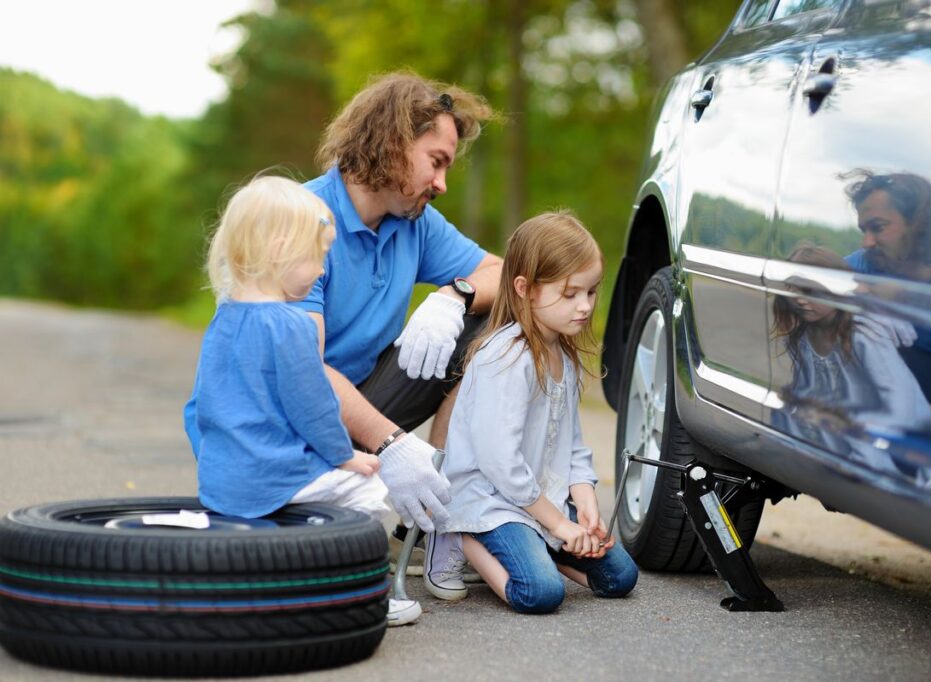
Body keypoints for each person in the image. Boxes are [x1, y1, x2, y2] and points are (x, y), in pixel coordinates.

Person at [183, 176, 422, 627]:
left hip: (223, 482)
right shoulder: (290, 325)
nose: (320, 271)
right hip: (276, 476)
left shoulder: (223, 319)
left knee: (309, 492)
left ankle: (279, 571)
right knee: (370, 490)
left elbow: (199, 406)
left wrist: (219, 462)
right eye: (317, 257)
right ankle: (358, 592)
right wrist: (344, 456)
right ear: (279, 250)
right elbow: (312, 406)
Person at [298, 73, 503, 587]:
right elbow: (301, 369)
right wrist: (392, 444)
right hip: (294, 426)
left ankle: (431, 522)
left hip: (362, 409)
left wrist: (454, 295)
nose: (442, 184)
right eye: (436, 162)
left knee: (491, 323)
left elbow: (509, 273)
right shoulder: (302, 220)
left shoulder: (413, 222)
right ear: (392, 143)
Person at [434, 211, 639, 613]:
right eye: (569, 294)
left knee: (620, 577)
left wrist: (585, 506)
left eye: (591, 292)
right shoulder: (508, 358)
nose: (584, 306)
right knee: (540, 593)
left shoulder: (563, 352)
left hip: (537, 500)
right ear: (525, 288)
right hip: (489, 500)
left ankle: (539, 546)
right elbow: (499, 462)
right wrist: (560, 524)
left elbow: (573, 445)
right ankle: (460, 536)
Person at [770, 244, 931, 472]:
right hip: (848, 423)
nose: (799, 300)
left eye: (809, 291)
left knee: (864, 446)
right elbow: (808, 392)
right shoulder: (802, 340)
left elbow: (901, 403)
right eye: (795, 290)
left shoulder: (863, 336)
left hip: (899, 432)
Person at [843, 171, 931, 405]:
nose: (866, 242)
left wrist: (902, 296)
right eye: (863, 230)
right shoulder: (862, 266)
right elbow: (802, 283)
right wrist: (860, 294)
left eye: (878, 228)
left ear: (920, 225)